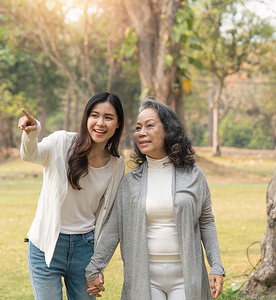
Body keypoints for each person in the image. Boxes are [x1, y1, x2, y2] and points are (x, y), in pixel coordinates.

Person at [85, 98, 225, 300]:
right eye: (138, 128)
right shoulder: (130, 181)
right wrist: (95, 266)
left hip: (186, 276)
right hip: (144, 277)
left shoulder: (194, 175)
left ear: (169, 130)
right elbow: (115, 225)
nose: (141, 132)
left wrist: (217, 266)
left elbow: (206, 222)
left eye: (150, 126)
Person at [18, 92, 125, 300]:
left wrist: (97, 265)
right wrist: (33, 132)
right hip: (46, 246)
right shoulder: (62, 142)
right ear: (86, 118)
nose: (100, 123)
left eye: (108, 117)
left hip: (85, 249)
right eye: (95, 115)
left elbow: (109, 217)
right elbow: (30, 154)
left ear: (118, 123)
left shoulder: (116, 164)